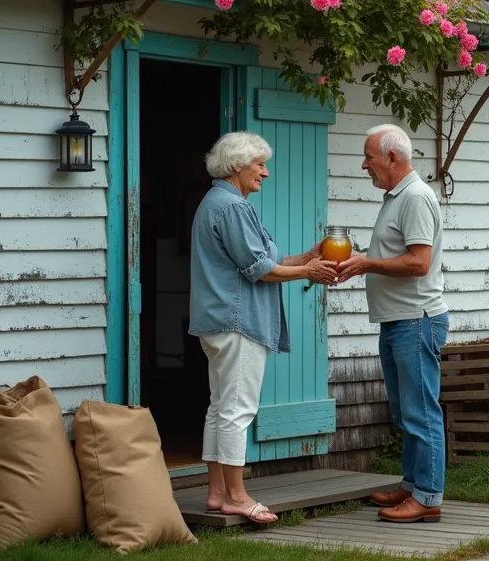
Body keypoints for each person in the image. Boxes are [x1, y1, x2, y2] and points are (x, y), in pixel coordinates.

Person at [188, 131, 339, 524]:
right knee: (238, 410)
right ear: (238, 165)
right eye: (259, 164)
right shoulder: (232, 207)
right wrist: (308, 271)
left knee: (220, 408)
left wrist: (308, 256)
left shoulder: (219, 202)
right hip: (238, 321)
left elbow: (264, 259)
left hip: (218, 321)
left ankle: (217, 493)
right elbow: (259, 270)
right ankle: (237, 496)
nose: (265, 173)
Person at [335, 123, 449, 524]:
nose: (364, 165)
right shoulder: (396, 196)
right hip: (397, 320)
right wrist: (364, 261)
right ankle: (412, 484)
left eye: (369, 158)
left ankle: (428, 498)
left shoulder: (415, 197)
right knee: (405, 411)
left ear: (392, 158)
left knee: (421, 412)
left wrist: (366, 262)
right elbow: (401, 255)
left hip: (415, 320)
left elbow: (418, 263)